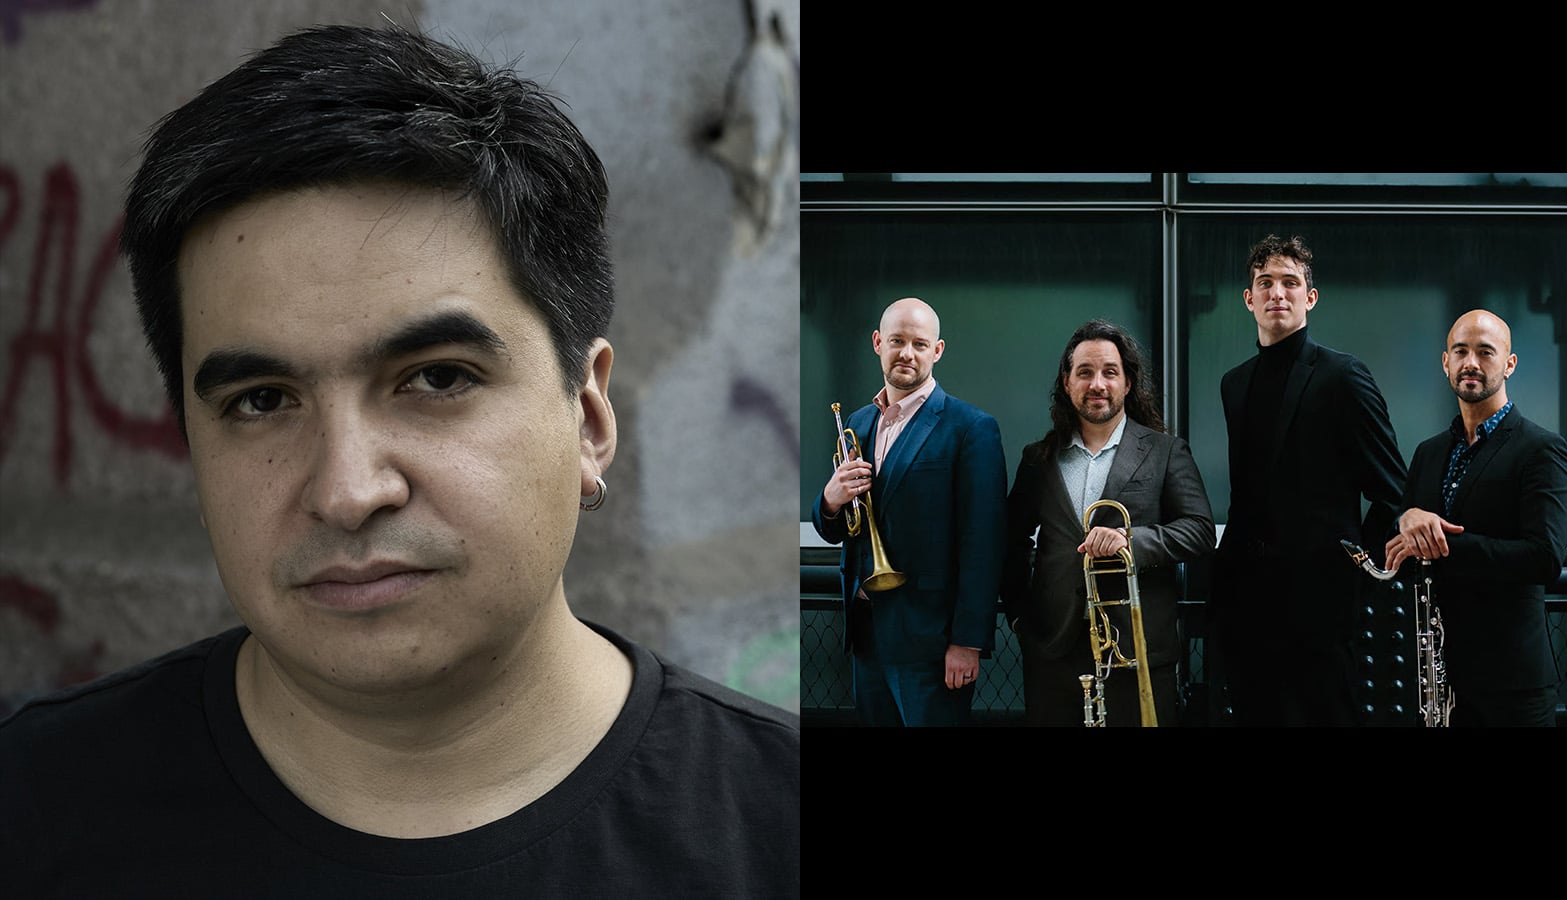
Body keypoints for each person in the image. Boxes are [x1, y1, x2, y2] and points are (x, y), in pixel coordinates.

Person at [0, 25, 798, 895]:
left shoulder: (772, 829)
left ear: (589, 416)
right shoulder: (32, 813)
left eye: (436, 378)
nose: (347, 492)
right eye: (260, 401)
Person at [1212, 234, 1407, 727]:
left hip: (1321, 603)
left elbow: (1391, 487)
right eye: (1266, 283)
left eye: (1290, 283)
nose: (1278, 292)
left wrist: (1351, 560)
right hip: (1247, 601)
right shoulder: (1233, 384)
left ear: (1310, 297)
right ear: (1249, 299)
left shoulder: (1344, 376)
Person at [1002, 319, 1214, 726]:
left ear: (1128, 383)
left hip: (1137, 649)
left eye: (1109, 372)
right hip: (1053, 648)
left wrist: (1129, 540)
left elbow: (1200, 528)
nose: (1097, 383)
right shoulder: (1038, 459)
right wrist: (1018, 618)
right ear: (1067, 383)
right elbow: (1009, 542)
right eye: (1084, 372)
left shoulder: (1165, 451)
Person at [811, 297, 1007, 726]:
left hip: (933, 644)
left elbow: (984, 544)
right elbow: (836, 528)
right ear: (878, 343)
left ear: (937, 351)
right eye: (897, 340)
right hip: (866, 635)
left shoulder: (970, 428)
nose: (907, 353)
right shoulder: (858, 423)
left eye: (920, 344)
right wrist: (830, 498)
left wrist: (967, 643)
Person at [1382, 310, 1567, 727]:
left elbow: (1545, 558)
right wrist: (1406, 518)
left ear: (1509, 364)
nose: (1471, 362)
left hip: (1512, 688)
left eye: (1486, 352)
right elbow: (1404, 544)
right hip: (1439, 681)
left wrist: (1440, 545)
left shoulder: (1543, 449)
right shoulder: (1428, 454)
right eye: (1461, 351)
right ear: (1445, 362)